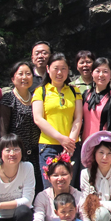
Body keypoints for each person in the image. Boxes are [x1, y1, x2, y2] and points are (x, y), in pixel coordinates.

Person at [32, 52, 83, 186]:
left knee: (69, 187)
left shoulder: (75, 91)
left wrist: (70, 142)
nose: (59, 72)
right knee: (51, 187)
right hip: (49, 146)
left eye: (63, 69)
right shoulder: (40, 91)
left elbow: (78, 118)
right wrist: (61, 138)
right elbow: (38, 119)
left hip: (71, 146)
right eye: (56, 68)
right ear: (48, 69)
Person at [0, 61, 43, 194]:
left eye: (28, 74)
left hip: (36, 154)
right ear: (13, 78)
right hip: (17, 155)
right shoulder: (8, 99)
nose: (24, 77)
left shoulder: (36, 97)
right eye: (20, 74)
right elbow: (3, 132)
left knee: (36, 190)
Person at [81, 57, 111, 143]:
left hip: (104, 145)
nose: (101, 75)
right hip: (85, 144)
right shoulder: (86, 94)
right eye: (97, 71)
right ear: (92, 73)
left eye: (105, 71)